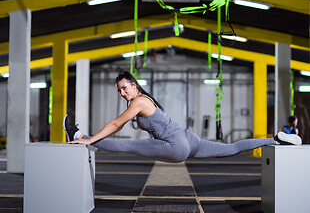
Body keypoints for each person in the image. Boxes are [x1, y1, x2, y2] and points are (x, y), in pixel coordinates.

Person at [63, 70, 302, 163]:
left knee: (129, 145)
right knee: (231, 147)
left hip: (176, 145)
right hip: (189, 139)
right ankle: (277, 139)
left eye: (125, 87)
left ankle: (79, 134)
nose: (123, 92)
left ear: (135, 85)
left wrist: (89, 139)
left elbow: (116, 124)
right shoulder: (146, 99)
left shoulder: (139, 102)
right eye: (119, 90)